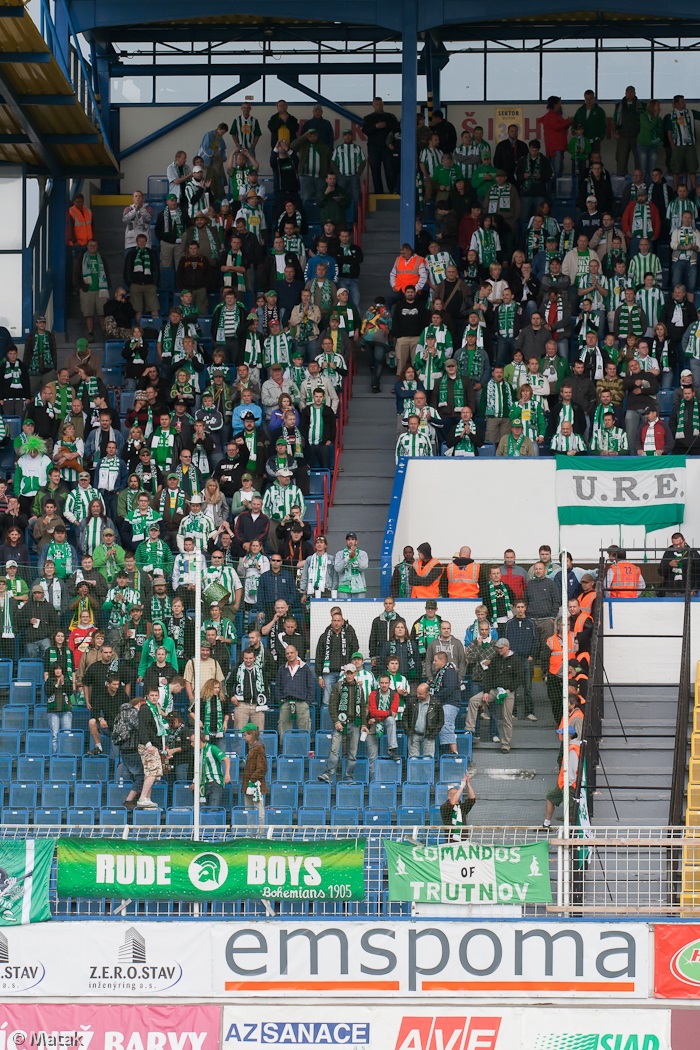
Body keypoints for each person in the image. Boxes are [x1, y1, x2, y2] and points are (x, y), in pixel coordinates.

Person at [465, 637, 522, 754]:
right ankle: (469, 729)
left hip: (508, 692)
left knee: (507, 718)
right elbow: (488, 676)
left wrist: (509, 690)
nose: (499, 650)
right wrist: (486, 691)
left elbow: (519, 678)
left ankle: (505, 744)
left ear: (507, 647)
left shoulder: (516, 660)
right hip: (494, 690)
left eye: (501, 648)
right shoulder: (495, 659)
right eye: (498, 648)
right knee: (474, 700)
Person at [319, 663, 369, 783]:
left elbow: (362, 707)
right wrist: (336, 721)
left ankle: (348, 777)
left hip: (355, 723)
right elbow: (332, 706)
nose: (349, 675)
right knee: (334, 750)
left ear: (355, 673)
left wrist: (363, 724)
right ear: (345, 673)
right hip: (340, 723)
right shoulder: (338, 686)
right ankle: (328, 775)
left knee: (353, 753)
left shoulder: (359, 688)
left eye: (351, 673)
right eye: (347, 673)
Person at [275, 643, 316, 738]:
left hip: (302, 703)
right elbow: (278, 686)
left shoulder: (305, 668)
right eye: (287, 653)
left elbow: (311, 686)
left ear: (296, 653)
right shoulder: (282, 669)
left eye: (292, 653)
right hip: (286, 703)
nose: (289, 655)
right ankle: (285, 748)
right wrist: (280, 701)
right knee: (284, 732)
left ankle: (304, 747)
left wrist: (307, 702)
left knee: (304, 731)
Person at [362, 96, 399, 194]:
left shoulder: (390, 117)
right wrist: (375, 126)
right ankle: (378, 193)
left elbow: (397, 128)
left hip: (387, 147)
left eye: (380, 104)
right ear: (373, 105)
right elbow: (365, 130)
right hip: (373, 147)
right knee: (375, 171)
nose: (379, 106)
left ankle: (392, 191)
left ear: (383, 104)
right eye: (377, 104)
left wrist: (386, 125)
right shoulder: (368, 118)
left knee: (390, 170)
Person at [429, 650, 462, 756]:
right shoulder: (440, 672)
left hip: (451, 703)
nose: (433, 663)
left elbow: (449, 689)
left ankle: (454, 753)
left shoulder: (450, 671)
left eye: (435, 660)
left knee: (446, 725)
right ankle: (447, 752)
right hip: (443, 703)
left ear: (442, 661)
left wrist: (434, 697)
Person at [404, 681, 444, 758]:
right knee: (413, 760)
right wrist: (407, 731)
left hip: (429, 736)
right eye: (417, 693)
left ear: (427, 693)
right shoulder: (412, 701)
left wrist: (433, 734)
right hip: (413, 735)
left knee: (427, 760)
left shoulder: (436, 703)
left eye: (420, 694)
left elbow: (441, 721)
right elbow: (405, 716)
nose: (418, 695)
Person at [192, 731, 231, 809]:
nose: (191, 744)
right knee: (202, 809)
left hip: (214, 783)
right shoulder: (197, 753)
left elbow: (226, 759)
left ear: (199, 740)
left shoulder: (212, 748)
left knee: (213, 809)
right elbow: (199, 769)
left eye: (192, 741)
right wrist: (194, 782)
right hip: (203, 784)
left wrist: (227, 774)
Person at [241, 721, 267, 826]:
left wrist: (252, 780)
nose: (243, 738)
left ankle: (260, 832)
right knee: (249, 812)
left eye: (245, 735)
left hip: (256, 784)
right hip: (248, 784)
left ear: (251, 734)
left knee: (259, 811)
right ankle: (251, 832)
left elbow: (263, 768)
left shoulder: (259, 748)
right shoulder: (251, 748)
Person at [659, 532, 699, 596]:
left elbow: (698, 573)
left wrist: (694, 589)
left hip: (687, 591)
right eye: (675, 545)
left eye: (680, 543)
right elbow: (660, 572)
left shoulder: (692, 553)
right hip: (670, 590)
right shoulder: (668, 553)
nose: (678, 546)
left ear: (684, 540)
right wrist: (669, 565)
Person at [440, 773, 476, 841]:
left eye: (458, 794)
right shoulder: (444, 807)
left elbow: (472, 798)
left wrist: (468, 783)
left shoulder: (462, 807)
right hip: (451, 839)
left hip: (463, 839)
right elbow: (452, 803)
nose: (457, 795)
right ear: (448, 796)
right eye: (455, 794)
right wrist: (462, 786)